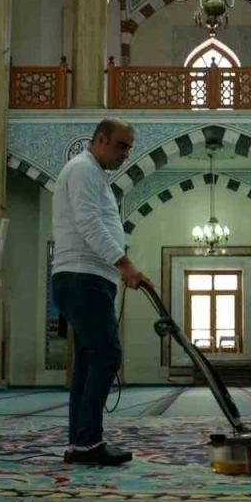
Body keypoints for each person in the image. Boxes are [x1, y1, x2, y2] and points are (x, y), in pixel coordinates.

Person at [51, 118, 152, 466]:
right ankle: (89, 441)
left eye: (129, 148)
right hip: (83, 278)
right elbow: (89, 223)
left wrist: (121, 269)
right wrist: (125, 266)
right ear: (101, 140)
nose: (126, 154)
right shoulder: (83, 169)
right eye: (121, 146)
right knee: (107, 355)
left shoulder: (94, 174)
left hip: (89, 278)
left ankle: (80, 444)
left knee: (87, 363)